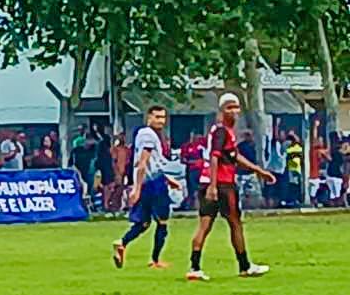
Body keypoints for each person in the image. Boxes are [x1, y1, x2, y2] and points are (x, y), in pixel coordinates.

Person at [190, 92, 275, 281]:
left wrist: (258, 170)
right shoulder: (222, 131)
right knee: (235, 223)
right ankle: (244, 265)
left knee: (205, 225)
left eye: (236, 107)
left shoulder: (221, 131)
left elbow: (234, 157)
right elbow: (215, 157)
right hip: (222, 184)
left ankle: (194, 267)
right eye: (230, 107)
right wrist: (213, 185)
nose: (234, 111)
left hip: (209, 182)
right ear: (221, 110)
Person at [114, 105, 182, 270]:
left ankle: (121, 243)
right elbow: (143, 163)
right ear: (148, 117)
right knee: (163, 222)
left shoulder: (146, 135)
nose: (161, 121)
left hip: (151, 181)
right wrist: (136, 188)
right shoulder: (148, 135)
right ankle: (155, 260)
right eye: (157, 117)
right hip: (152, 184)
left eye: (163, 117)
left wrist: (168, 179)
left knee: (143, 223)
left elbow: (153, 163)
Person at [179, 131, 207, 212]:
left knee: (199, 188)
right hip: (190, 169)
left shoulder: (201, 147)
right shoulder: (186, 146)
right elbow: (183, 159)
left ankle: (199, 205)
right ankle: (191, 205)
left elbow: (205, 157)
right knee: (191, 187)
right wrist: (191, 162)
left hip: (200, 170)